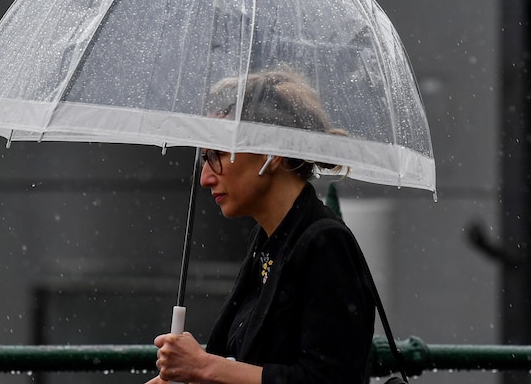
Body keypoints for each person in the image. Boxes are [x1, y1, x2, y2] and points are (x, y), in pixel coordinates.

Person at [145, 70, 376, 384]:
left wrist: (203, 367)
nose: (205, 178)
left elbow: (329, 379)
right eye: (204, 158)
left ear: (273, 153)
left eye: (218, 155)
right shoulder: (268, 240)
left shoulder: (325, 242)